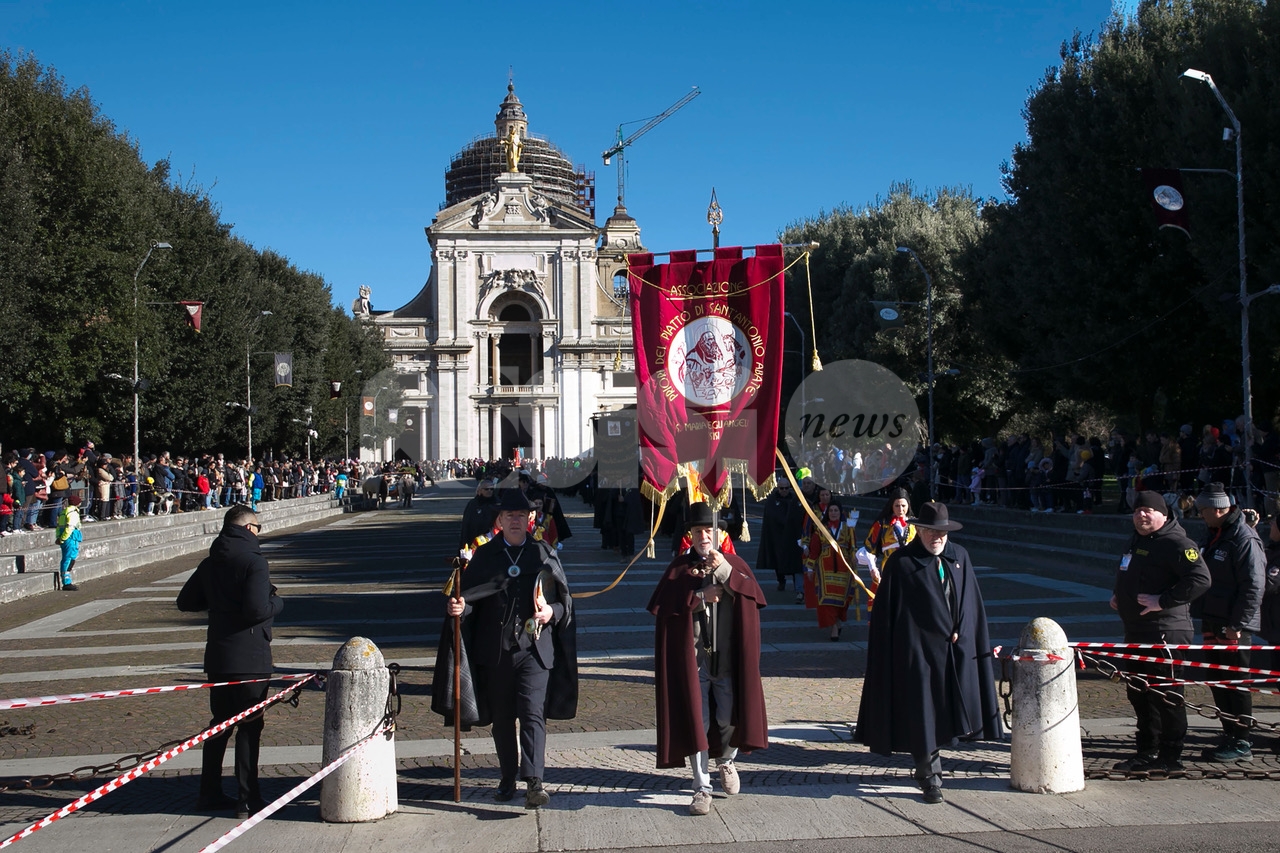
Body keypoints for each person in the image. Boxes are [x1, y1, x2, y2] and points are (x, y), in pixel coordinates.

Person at [435, 490, 577, 809]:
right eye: (509, 516)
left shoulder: (544, 553)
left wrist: (551, 612)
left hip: (535, 651)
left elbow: (564, 602)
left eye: (521, 515)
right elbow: (472, 601)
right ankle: (508, 777)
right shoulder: (484, 556)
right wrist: (460, 609)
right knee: (502, 720)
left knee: (532, 715)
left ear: (530, 519)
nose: (515, 521)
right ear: (499, 520)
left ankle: (534, 782)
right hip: (496, 652)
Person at [855, 501, 1002, 804]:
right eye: (931, 532)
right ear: (918, 530)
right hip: (918, 655)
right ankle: (929, 776)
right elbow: (888, 616)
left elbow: (971, 602)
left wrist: (964, 628)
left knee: (949, 711)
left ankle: (942, 755)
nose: (938, 538)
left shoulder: (959, 557)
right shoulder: (901, 563)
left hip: (954, 653)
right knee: (922, 715)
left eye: (943, 533)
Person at [649, 502, 768, 816]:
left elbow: (752, 596)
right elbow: (666, 609)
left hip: (727, 661)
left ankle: (727, 761)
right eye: (699, 531)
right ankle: (701, 787)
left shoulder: (734, 563)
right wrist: (700, 598)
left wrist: (724, 572)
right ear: (691, 534)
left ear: (719, 533)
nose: (704, 536)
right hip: (696, 662)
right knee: (698, 723)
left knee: (727, 718)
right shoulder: (678, 569)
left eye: (710, 530)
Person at [177, 505, 283, 818]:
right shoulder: (254, 562)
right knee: (249, 727)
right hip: (250, 655)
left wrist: (219, 602)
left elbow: (186, 602)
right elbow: (256, 610)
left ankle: (208, 793)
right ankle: (248, 798)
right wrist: (278, 602)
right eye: (259, 528)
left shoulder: (211, 561)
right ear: (250, 528)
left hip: (219, 655)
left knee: (220, 725)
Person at [1110, 490, 1211, 773]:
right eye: (1137, 511)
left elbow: (1200, 579)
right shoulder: (1139, 539)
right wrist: (1118, 594)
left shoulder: (1175, 542)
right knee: (1139, 693)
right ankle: (1146, 751)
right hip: (1137, 630)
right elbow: (1129, 571)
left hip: (1165, 631)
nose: (1141, 515)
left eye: (1148, 511)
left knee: (1165, 696)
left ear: (1163, 515)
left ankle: (1170, 756)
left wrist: (1162, 601)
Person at [1191, 483, 1264, 762]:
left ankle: (1242, 740)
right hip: (1213, 618)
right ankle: (1229, 733)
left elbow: (1254, 585)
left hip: (1233, 624)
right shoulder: (1216, 534)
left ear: (1219, 509)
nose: (1200, 516)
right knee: (1217, 679)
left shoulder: (1243, 538)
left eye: (1203, 511)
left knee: (1235, 680)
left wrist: (1238, 624)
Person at [803, 501, 859, 640]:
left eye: (836, 511)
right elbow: (814, 550)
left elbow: (853, 546)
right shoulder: (820, 529)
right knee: (825, 599)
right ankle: (834, 626)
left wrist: (855, 557)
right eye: (831, 511)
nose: (833, 513)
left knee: (843, 598)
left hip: (844, 567)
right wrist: (810, 567)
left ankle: (838, 620)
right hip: (824, 567)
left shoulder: (848, 529)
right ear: (828, 514)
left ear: (841, 513)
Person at [859, 488, 915, 611]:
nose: (901, 509)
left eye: (903, 505)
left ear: (908, 505)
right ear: (891, 506)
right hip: (889, 567)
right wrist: (872, 567)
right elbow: (867, 550)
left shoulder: (915, 524)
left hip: (911, 567)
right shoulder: (882, 525)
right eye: (897, 506)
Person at [459, 478, 500, 548]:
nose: (489, 491)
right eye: (486, 489)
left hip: (494, 539)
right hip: (476, 541)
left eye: (491, 489)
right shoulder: (473, 504)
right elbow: (466, 525)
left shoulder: (498, 503)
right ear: (480, 490)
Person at [55, 495, 82, 591]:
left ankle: (66, 579)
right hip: (71, 538)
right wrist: (63, 538)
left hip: (66, 538)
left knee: (68, 558)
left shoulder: (64, 512)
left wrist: (59, 537)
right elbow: (70, 527)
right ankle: (66, 582)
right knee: (69, 559)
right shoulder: (73, 513)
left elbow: (59, 527)